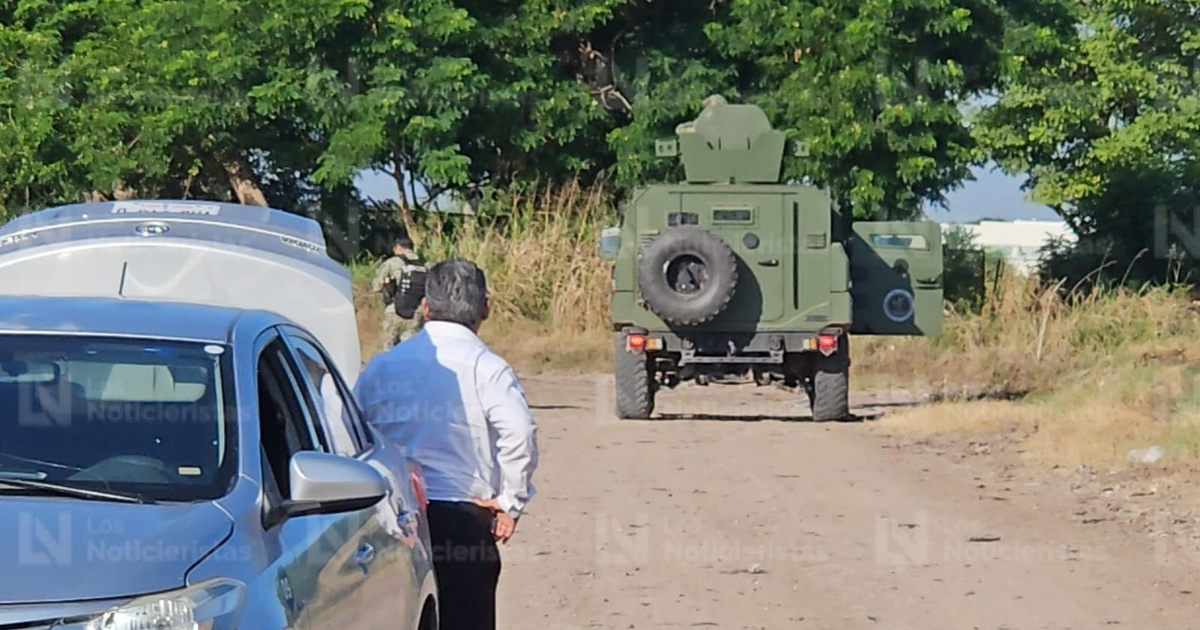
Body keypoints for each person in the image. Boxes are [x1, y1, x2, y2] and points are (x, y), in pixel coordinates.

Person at [354, 258, 539, 630]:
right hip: (461, 521)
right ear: (485, 307)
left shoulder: (382, 366)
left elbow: (351, 431)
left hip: (393, 518)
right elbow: (519, 433)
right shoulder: (487, 368)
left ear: (425, 306)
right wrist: (509, 502)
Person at [371, 236, 428, 350]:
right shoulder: (425, 265)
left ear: (398, 248)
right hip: (416, 314)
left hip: (394, 310)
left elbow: (376, 287)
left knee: (388, 350)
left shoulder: (392, 262)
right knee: (410, 350)